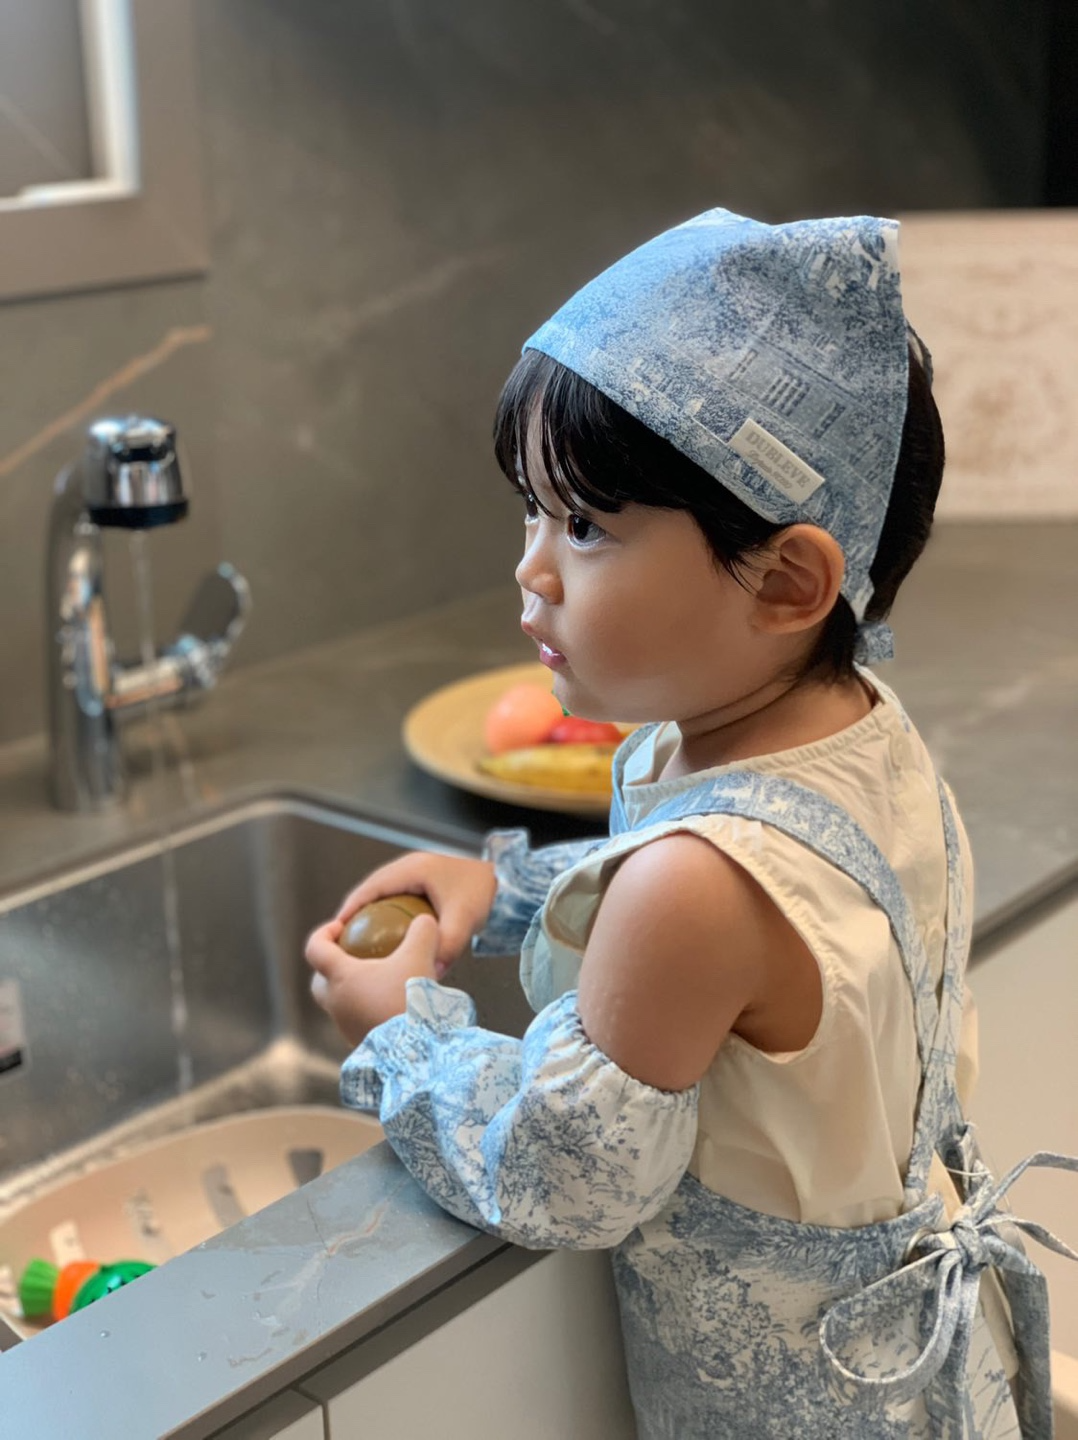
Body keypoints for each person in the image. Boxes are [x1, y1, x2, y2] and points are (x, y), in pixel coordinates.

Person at [305, 209, 1075, 1437]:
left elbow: (561, 1174)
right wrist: (504, 892)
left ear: (786, 582)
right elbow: (715, 900)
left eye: (585, 527)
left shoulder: (696, 890)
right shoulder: (855, 730)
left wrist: (399, 1033)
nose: (532, 569)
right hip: (914, 1368)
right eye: (532, 510)